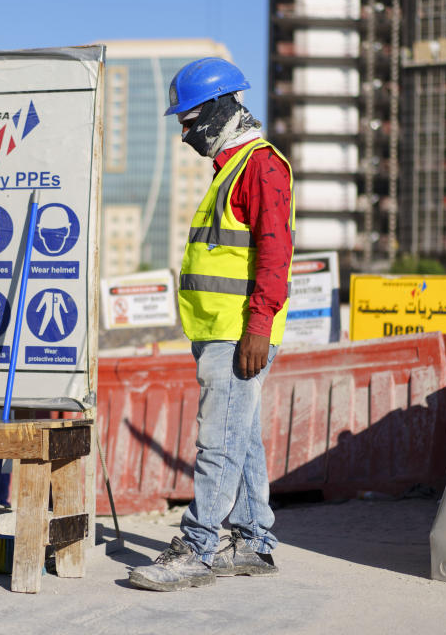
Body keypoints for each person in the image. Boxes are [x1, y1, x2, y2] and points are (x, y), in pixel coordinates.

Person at [128, 57, 295, 592]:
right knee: (242, 439)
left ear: (220, 109)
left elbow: (275, 251)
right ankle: (253, 542)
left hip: (238, 332)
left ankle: (199, 547)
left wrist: (259, 327)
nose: (184, 136)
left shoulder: (261, 166)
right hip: (221, 330)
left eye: (188, 121)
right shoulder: (232, 168)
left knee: (219, 441)